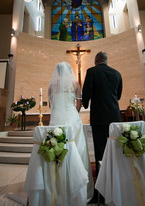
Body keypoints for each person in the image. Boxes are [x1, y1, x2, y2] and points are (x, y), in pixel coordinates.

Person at [48, 62, 94, 201]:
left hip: (57, 118)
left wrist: (57, 113)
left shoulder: (51, 86)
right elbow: (79, 104)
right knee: (77, 148)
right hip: (72, 117)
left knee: (56, 148)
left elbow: (51, 105)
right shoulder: (75, 85)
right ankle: (78, 182)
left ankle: (57, 184)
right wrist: (73, 113)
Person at [82, 52, 123, 177]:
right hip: (114, 116)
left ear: (96, 60)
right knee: (115, 146)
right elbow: (119, 95)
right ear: (106, 60)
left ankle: (102, 177)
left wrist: (85, 104)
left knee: (100, 149)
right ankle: (117, 175)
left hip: (99, 116)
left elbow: (87, 91)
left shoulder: (92, 71)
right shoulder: (117, 73)